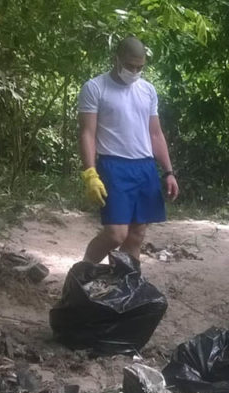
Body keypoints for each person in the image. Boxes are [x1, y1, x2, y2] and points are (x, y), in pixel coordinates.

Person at [77, 36, 179, 263]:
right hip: (113, 165)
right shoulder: (95, 88)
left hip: (145, 167)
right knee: (116, 234)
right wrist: (90, 174)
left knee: (136, 235)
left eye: (139, 67)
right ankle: (82, 273)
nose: (134, 72)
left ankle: (125, 281)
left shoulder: (148, 90)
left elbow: (155, 133)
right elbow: (87, 133)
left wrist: (169, 172)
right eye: (130, 66)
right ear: (116, 59)